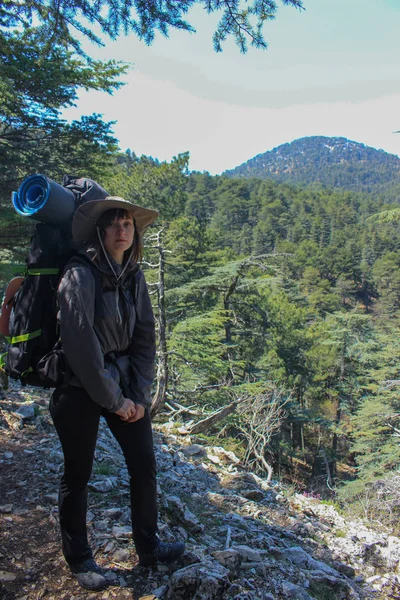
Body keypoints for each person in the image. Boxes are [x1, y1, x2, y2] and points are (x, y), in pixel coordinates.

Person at [49, 196, 185, 591]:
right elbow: (82, 348)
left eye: (128, 224)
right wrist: (115, 400)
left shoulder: (133, 274)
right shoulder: (79, 273)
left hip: (123, 383)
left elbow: (145, 337)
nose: (123, 230)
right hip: (78, 387)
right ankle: (79, 559)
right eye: (115, 223)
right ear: (101, 231)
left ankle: (149, 546)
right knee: (78, 474)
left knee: (144, 465)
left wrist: (139, 397)